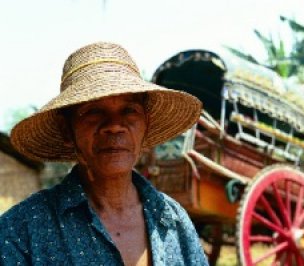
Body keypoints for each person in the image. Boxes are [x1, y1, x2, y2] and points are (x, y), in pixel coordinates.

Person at [0, 42, 208, 266]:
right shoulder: (22, 230)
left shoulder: (172, 219)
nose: (115, 126)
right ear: (66, 129)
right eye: (94, 111)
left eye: (129, 110)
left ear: (145, 125)